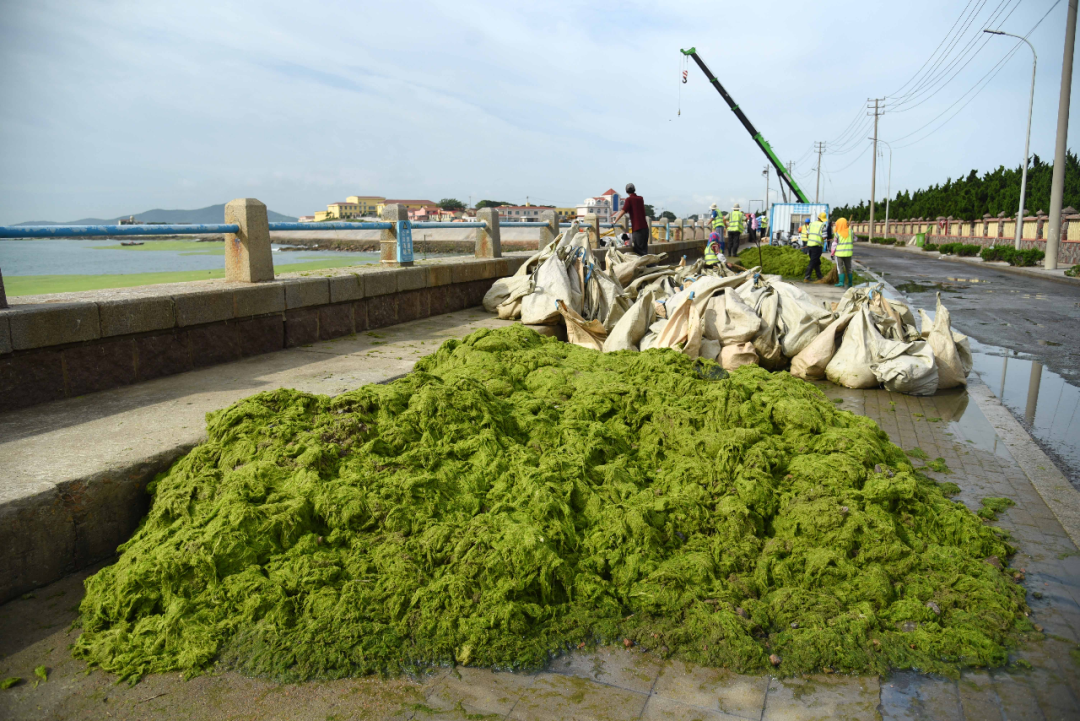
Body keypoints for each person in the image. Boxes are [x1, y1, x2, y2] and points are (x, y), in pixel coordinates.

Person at [610, 183, 649, 256]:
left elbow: (623, 211)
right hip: (645, 228)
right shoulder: (640, 198)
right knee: (644, 248)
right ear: (634, 190)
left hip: (638, 229)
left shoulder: (629, 199)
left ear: (626, 191)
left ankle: (650, 265)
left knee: (638, 249)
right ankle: (649, 265)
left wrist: (615, 221)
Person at [802, 212, 827, 281]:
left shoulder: (811, 224)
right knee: (813, 261)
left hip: (809, 245)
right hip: (817, 246)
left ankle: (819, 276)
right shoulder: (822, 225)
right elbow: (824, 237)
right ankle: (807, 277)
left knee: (816, 261)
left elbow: (807, 234)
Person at [832, 217, 854, 288]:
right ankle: (850, 283)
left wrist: (832, 252)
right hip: (848, 253)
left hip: (839, 254)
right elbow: (855, 239)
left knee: (840, 267)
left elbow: (834, 244)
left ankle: (841, 282)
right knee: (849, 268)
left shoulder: (837, 233)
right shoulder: (851, 231)